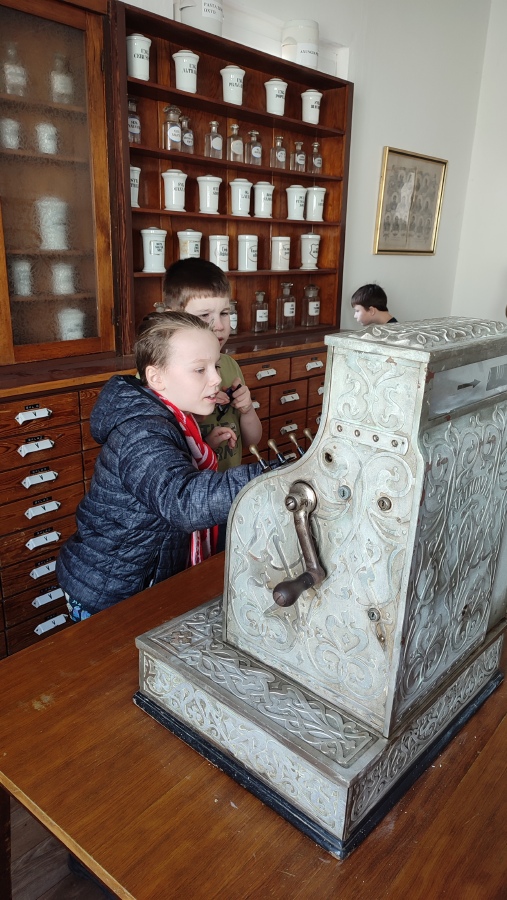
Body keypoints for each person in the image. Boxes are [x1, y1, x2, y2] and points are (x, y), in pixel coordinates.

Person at [56, 311, 262, 619]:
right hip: (110, 588)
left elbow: (168, 465)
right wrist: (269, 476)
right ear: (156, 378)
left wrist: (204, 447)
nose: (216, 379)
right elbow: (184, 501)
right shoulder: (141, 431)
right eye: (200, 370)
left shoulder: (173, 417)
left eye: (216, 366)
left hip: (144, 575)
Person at [163, 258, 263, 471]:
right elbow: (163, 461)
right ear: (173, 317)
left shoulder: (229, 365)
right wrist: (198, 422)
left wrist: (247, 410)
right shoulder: (160, 375)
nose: (218, 325)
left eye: (224, 313)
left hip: (228, 483)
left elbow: (252, 440)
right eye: (204, 315)